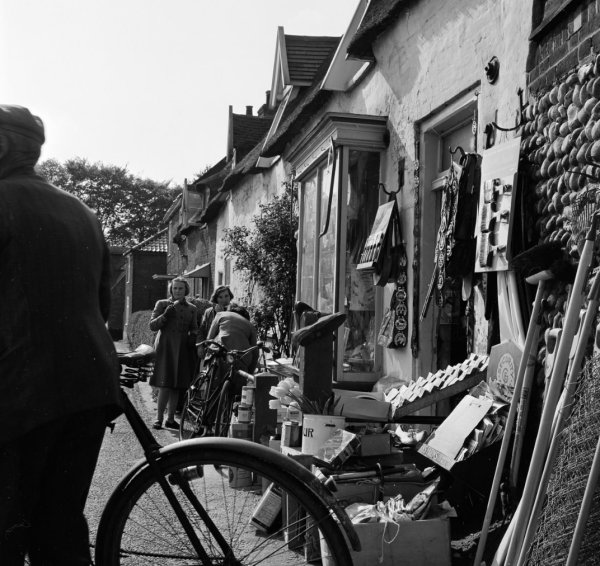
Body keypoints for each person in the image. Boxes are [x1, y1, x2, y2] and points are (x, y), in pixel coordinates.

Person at [0, 105, 122, 565]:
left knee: (8, 529)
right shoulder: (83, 210)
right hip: (89, 389)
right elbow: (101, 305)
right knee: (60, 527)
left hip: (23, 396)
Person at [149, 277, 198, 429]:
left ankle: (170, 419)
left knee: (177, 385)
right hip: (166, 347)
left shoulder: (192, 308)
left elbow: (195, 327)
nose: (177, 291)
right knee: (165, 384)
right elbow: (152, 326)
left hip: (183, 349)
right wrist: (165, 316)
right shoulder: (162, 304)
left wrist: (193, 337)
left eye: (180, 288)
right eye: (175, 288)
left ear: (186, 290)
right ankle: (158, 419)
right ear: (171, 289)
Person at [206, 303, 259, 374]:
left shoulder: (221, 315)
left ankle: (207, 379)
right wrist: (249, 373)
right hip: (241, 360)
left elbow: (209, 338)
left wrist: (206, 348)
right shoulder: (250, 326)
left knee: (212, 377)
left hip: (218, 352)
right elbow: (255, 352)